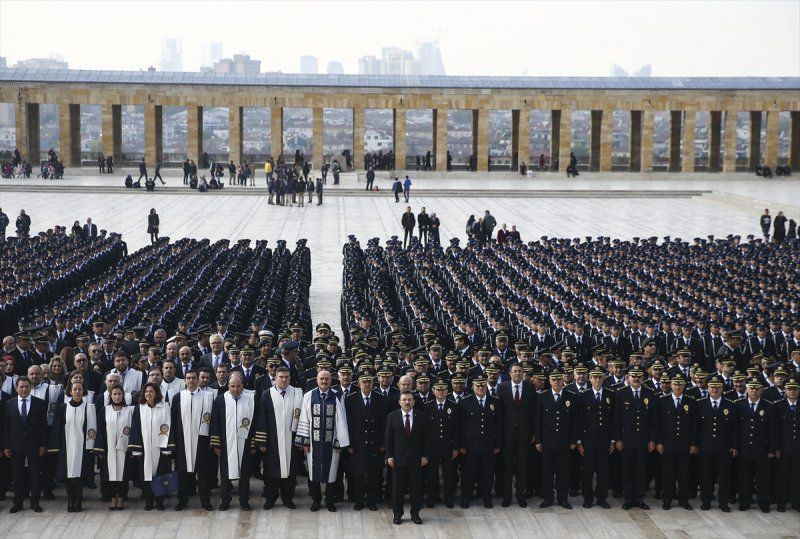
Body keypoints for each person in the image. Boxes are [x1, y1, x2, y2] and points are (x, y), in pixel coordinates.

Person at [295, 370, 349, 512]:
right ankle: (316, 500)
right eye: (321, 379)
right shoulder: (308, 396)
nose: (324, 381)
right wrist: (305, 442)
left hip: (331, 444)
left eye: (327, 379)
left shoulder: (338, 395)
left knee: (332, 474)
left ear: (331, 380)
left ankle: (330, 501)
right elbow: (304, 419)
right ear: (317, 380)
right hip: (314, 443)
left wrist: (339, 441)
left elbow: (341, 420)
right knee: (313, 473)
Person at [255, 366, 303, 509]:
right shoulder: (267, 395)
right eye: (281, 377)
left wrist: (300, 440)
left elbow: (303, 418)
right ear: (275, 378)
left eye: (286, 377)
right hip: (272, 442)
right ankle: (270, 499)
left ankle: (288, 499)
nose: (283, 380)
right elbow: (261, 419)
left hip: (291, 441)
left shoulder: (296, 393)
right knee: (271, 472)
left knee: (290, 472)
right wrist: (261, 441)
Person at [49, 380, 98, 512]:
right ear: (70, 391)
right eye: (74, 389)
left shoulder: (89, 407)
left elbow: (92, 429)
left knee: (80, 476)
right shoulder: (63, 408)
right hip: (67, 447)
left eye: (79, 389)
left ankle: (79, 501)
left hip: (83, 448)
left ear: (83, 391)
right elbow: (57, 428)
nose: (77, 392)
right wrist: (56, 446)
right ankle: (70, 501)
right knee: (69, 476)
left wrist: (90, 447)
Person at [210, 372, 257, 510]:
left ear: (243, 386)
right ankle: (225, 501)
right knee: (225, 474)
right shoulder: (220, 400)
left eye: (238, 386)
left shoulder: (250, 399)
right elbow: (215, 423)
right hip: (226, 443)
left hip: (245, 443)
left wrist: (254, 443)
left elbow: (254, 423)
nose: (235, 389)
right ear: (228, 386)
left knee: (245, 474)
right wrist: (216, 444)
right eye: (232, 386)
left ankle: (244, 501)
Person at [170, 369, 214, 511]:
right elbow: (173, 421)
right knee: (182, 473)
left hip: (202, 441)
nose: (191, 380)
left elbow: (212, 421)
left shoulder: (208, 397)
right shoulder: (178, 397)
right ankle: (182, 500)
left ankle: (205, 500)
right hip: (183, 441)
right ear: (185, 380)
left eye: (193, 378)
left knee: (203, 474)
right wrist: (174, 443)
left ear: (198, 379)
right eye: (188, 378)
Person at [3, 376, 48, 513]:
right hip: (15, 445)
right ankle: (18, 503)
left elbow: (43, 426)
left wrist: (43, 444)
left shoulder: (39, 403)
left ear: (30, 387)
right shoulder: (9, 404)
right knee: (17, 475)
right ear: (16, 388)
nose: (24, 389)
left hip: (34, 445)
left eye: (26, 386)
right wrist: (5, 446)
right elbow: (6, 427)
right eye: (21, 387)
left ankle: (35, 502)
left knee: (34, 474)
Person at [614, 365, 655, 510]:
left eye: (639, 376)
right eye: (633, 376)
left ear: (643, 378)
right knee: (627, 471)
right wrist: (618, 439)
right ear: (628, 377)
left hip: (643, 440)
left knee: (641, 471)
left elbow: (653, 420)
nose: (636, 378)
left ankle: (639, 499)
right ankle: (628, 499)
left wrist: (652, 439)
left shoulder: (650, 394)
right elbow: (616, 419)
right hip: (627, 440)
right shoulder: (620, 394)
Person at [345, 372, 387, 511]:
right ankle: (359, 500)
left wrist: (382, 443)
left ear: (373, 384)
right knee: (358, 474)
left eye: (369, 382)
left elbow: (383, 423)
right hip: (358, 442)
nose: (367, 384)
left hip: (374, 442)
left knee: (373, 474)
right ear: (359, 384)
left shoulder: (380, 399)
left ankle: (371, 500)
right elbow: (349, 423)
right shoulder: (351, 399)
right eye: (364, 382)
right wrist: (350, 443)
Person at [535, 368, 576, 509]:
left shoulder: (571, 396)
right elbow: (538, 421)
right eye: (554, 379)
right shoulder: (542, 397)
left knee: (563, 472)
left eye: (559, 379)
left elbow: (574, 421)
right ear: (549, 381)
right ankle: (548, 498)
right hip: (547, 441)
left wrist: (573, 441)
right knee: (547, 472)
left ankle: (562, 498)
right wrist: (538, 441)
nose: (557, 382)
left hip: (564, 442)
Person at [385, 390, 428, 525]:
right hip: (398, 459)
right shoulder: (392, 416)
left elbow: (426, 439)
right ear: (399, 402)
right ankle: (397, 514)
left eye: (410, 399)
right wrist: (389, 456)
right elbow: (388, 438)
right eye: (404, 400)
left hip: (416, 459)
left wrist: (425, 456)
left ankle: (415, 514)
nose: (407, 402)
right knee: (397, 489)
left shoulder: (422, 417)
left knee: (416, 488)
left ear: (414, 402)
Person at [129, 382, 172, 511]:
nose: (148, 393)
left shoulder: (164, 407)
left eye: (151, 391)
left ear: (156, 393)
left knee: (161, 475)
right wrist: (137, 449)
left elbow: (169, 426)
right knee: (145, 475)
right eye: (146, 391)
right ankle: (149, 500)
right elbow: (135, 428)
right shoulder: (139, 408)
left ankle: (160, 501)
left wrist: (167, 447)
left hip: (160, 447)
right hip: (145, 448)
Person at [654, 375, 696, 511]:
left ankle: (684, 500)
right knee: (668, 474)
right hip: (668, 444)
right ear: (670, 385)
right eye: (675, 384)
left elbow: (695, 425)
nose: (677, 387)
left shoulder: (691, 401)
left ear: (684, 386)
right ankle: (667, 499)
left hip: (684, 444)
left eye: (680, 385)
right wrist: (659, 442)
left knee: (684, 474)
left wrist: (693, 443)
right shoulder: (662, 401)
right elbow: (658, 423)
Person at [695, 377, 736, 512]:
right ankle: (706, 500)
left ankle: (723, 502)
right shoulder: (700, 404)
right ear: (708, 388)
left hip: (724, 447)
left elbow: (734, 428)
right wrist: (695, 444)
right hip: (706, 447)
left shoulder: (730, 405)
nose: (714, 389)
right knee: (706, 476)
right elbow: (696, 427)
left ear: (722, 389)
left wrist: (734, 445)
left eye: (717, 387)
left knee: (724, 477)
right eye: (712, 387)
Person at [459, 375, 500, 509]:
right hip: (470, 446)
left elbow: (499, 425)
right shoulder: (465, 402)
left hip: (488, 445)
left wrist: (497, 444)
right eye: (478, 386)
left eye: (483, 385)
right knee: (468, 473)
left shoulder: (495, 402)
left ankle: (486, 497)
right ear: (472, 387)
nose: (481, 388)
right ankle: (465, 497)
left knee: (487, 474)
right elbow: (461, 425)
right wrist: (462, 445)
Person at [498, 363, 535, 507]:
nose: (518, 374)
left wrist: (533, 433)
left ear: (523, 373)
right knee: (507, 466)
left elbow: (533, 411)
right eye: (515, 371)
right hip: (507, 434)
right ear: (510, 373)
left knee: (522, 466)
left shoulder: (529, 387)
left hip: (524, 434)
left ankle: (520, 496)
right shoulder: (502, 387)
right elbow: (499, 413)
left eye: (520, 371)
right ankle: (507, 496)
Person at [96, 385, 134, 511]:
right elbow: (100, 430)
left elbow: (133, 430)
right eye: (114, 394)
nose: (117, 396)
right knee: (110, 474)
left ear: (123, 395)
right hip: (109, 448)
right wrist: (100, 448)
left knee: (123, 474)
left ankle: (122, 497)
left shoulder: (129, 410)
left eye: (119, 394)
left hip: (124, 448)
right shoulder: (105, 410)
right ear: (110, 396)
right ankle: (113, 497)